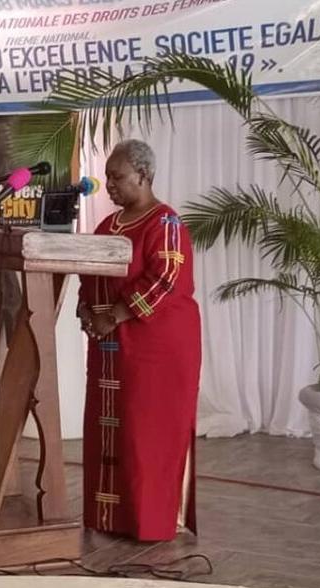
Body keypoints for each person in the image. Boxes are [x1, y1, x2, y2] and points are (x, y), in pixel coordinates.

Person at [77, 139, 201, 542]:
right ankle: (111, 518)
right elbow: (88, 273)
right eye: (108, 177)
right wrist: (86, 311)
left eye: (117, 177)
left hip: (156, 349)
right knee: (111, 432)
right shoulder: (107, 226)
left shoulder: (166, 224)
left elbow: (165, 279)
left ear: (143, 176)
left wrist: (112, 315)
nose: (110, 184)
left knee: (146, 434)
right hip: (110, 348)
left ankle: (149, 522)